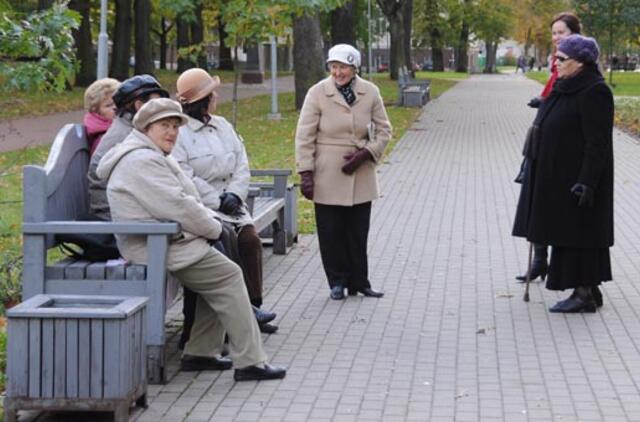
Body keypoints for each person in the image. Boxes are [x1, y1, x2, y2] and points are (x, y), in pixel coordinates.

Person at [96, 98, 286, 380]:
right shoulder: (141, 160)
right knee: (229, 276)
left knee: (220, 276)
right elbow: (178, 204)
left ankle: (201, 353)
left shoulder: (152, 154)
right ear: (146, 127)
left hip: (171, 238)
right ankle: (250, 361)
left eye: (175, 126)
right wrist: (213, 227)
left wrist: (210, 225)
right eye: (164, 125)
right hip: (155, 244)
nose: (172, 132)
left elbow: (186, 200)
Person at [171, 68, 278, 335]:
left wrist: (235, 194)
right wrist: (217, 199)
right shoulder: (181, 133)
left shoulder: (223, 126)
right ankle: (230, 317)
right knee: (224, 245)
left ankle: (253, 306)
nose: (216, 96)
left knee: (250, 241)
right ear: (202, 99)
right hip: (205, 207)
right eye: (211, 93)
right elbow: (185, 175)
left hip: (233, 202)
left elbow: (242, 162)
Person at [513, 35, 614, 312]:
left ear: (580, 62)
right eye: (554, 58)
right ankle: (589, 288)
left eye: (561, 59)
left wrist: (586, 182)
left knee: (578, 234)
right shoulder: (566, 85)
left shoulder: (594, 91)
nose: (555, 63)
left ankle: (583, 295)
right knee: (567, 232)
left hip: (578, 179)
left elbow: (598, 143)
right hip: (558, 175)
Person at [295, 44, 392, 300]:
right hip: (327, 172)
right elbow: (304, 136)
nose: (338, 73)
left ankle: (360, 281)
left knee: (358, 232)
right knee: (331, 231)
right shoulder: (317, 93)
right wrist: (305, 172)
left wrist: (366, 153)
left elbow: (385, 130)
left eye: (344, 67)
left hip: (360, 171)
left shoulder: (370, 92)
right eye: (334, 67)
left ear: (354, 68)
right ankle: (336, 281)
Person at [515, 12, 582, 283]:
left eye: (561, 33)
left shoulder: (576, 64)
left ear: (574, 34)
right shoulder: (557, 64)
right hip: (541, 140)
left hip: (562, 148)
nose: (556, 38)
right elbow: (551, 93)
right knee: (535, 200)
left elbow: (570, 100)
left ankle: (553, 264)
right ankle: (540, 261)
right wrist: (541, 100)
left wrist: (547, 103)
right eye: (553, 33)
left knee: (550, 203)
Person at [88, 74, 170, 221]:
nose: (162, 110)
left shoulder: (133, 129)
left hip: (127, 215)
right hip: (118, 222)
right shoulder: (127, 138)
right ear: (139, 106)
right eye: (156, 105)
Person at [83, 78, 120, 156]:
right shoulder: (104, 138)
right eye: (109, 105)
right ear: (96, 111)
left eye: (119, 103)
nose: (116, 108)